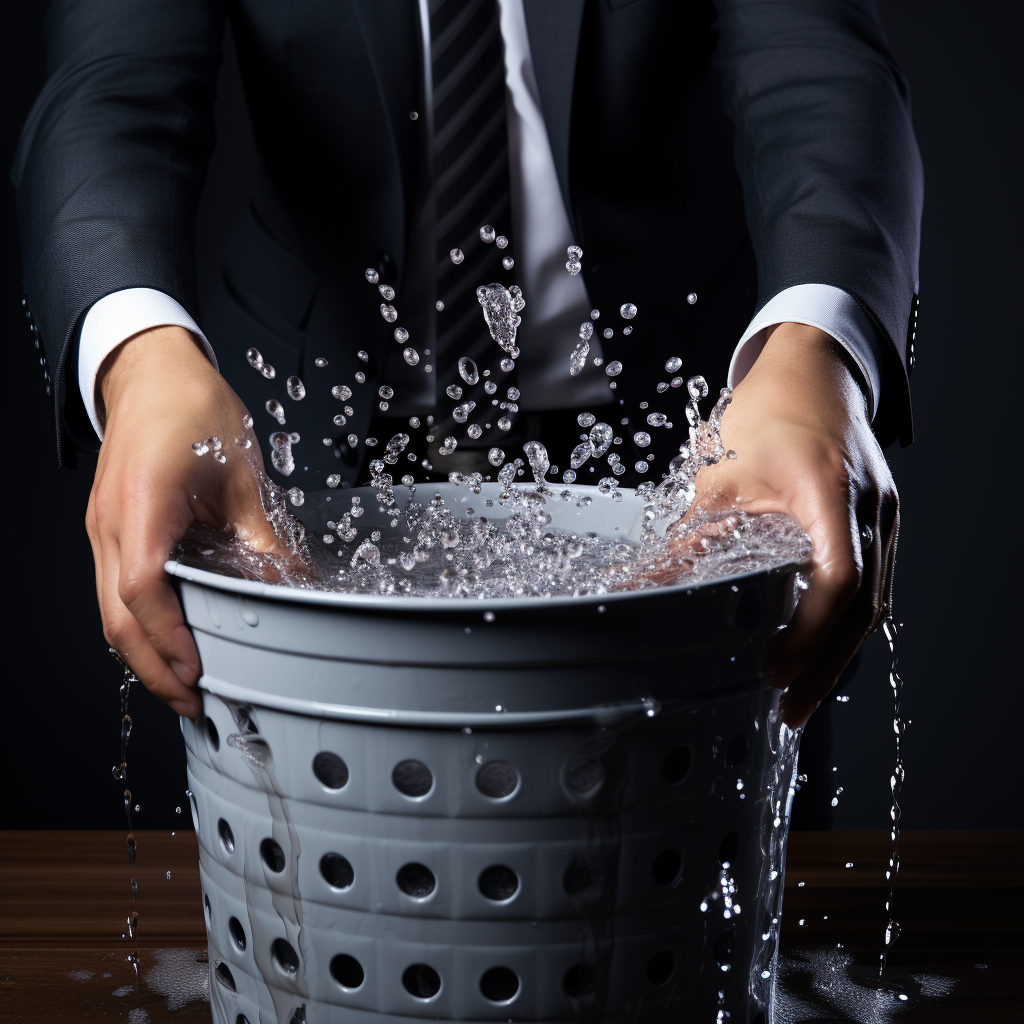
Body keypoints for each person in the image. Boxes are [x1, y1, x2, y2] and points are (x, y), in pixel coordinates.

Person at [13, 0, 921, 727]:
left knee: (709, 896)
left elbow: (821, 71)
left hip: (700, 440)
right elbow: (109, 86)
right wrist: (140, 359)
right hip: (290, 448)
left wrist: (814, 347)